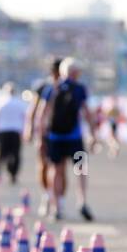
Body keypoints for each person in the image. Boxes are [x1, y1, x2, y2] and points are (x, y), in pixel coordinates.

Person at [38, 57, 97, 222]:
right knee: (81, 169)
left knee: (56, 170)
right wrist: (93, 135)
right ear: (75, 72)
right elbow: (87, 113)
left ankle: (56, 206)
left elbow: (42, 114)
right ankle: (82, 201)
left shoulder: (51, 88)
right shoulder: (80, 89)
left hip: (55, 137)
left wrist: (41, 136)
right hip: (74, 137)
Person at [25, 58, 62, 216]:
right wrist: (30, 128)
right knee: (45, 166)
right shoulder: (43, 87)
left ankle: (58, 200)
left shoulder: (66, 87)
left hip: (59, 132)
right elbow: (33, 110)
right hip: (45, 132)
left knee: (58, 168)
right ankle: (47, 195)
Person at [0, 82, 26, 185]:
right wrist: (24, 131)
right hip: (15, 131)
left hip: (3, 131)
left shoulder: (0, 102)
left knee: (0, 154)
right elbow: (25, 118)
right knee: (15, 154)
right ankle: (13, 174)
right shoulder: (20, 103)